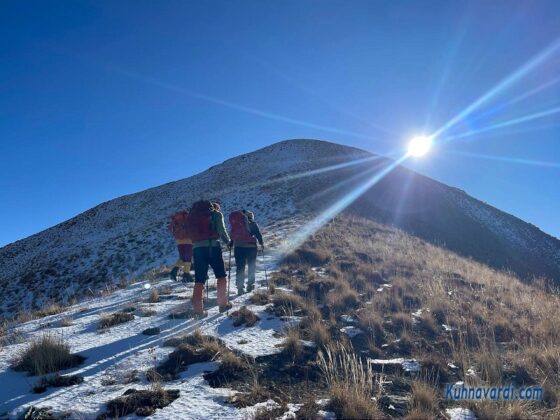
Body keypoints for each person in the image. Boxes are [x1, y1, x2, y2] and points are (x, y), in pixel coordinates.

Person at [186, 200, 232, 315]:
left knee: (199, 279)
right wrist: (228, 242)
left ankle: (198, 311)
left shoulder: (192, 216)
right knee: (221, 275)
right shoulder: (216, 214)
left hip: (197, 249)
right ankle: (223, 305)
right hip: (213, 247)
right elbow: (222, 230)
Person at [229, 209, 264, 295]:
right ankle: (250, 285)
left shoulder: (236, 224)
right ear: (250, 216)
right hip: (251, 247)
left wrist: (231, 244)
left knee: (240, 267)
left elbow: (232, 236)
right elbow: (258, 234)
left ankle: (240, 288)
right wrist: (261, 244)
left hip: (238, 248)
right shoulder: (252, 223)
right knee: (251, 266)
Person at [167, 210, 193, 282]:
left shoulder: (175, 219)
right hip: (188, 240)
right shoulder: (188, 218)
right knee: (188, 259)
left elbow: (170, 228)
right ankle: (186, 275)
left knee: (182, 258)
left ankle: (174, 271)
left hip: (179, 241)